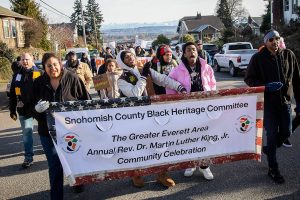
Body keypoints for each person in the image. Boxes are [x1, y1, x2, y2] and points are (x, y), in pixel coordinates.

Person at [117, 50, 186, 188]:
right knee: (136, 146)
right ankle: (136, 174)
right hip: (134, 117)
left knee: (159, 142)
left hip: (152, 112)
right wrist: (143, 77)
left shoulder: (145, 69)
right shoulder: (121, 79)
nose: (130, 57)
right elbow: (134, 94)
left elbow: (162, 79)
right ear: (122, 61)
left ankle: (161, 173)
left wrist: (179, 87)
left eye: (131, 55)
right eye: (126, 57)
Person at [244, 30, 300, 184]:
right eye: (270, 40)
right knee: (272, 135)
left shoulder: (289, 55)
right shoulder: (258, 58)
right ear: (265, 42)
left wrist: (299, 102)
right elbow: (248, 79)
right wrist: (266, 86)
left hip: (286, 103)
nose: (274, 42)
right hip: (268, 104)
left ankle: (269, 149)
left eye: (276, 38)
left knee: (287, 131)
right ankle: (273, 169)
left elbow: (297, 80)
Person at [33, 53, 91, 199]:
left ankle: (78, 183)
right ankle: (56, 196)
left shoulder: (73, 78)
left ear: (60, 64)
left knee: (74, 160)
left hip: (71, 131)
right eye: (49, 66)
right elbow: (30, 107)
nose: (53, 68)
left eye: (55, 64)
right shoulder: (38, 83)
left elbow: (86, 102)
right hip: (47, 132)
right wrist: (36, 110)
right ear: (44, 68)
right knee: (54, 166)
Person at [166, 42, 216, 181]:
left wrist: (211, 99)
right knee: (189, 138)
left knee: (205, 137)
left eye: (194, 49)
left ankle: (205, 166)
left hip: (204, 108)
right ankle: (191, 164)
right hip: (186, 110)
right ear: (184, 53)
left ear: (197, 51)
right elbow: (169, 87)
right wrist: (175, 105)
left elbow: (212, 84)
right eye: (188, 50)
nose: (191, 52)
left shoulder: (206, 67)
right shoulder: (177, 70)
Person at [9, 53, 42, 169]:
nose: (25, 61)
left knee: (45, 131)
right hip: (23, 109)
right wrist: (12, 110)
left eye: (27, 59)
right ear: (20, 61)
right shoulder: (16, 75)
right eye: (23, 60)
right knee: (27, 134)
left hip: (39, 109)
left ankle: (49, 151)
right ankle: (28, 157)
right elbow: (12, 94)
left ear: (32, 59)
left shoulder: (40, 73)